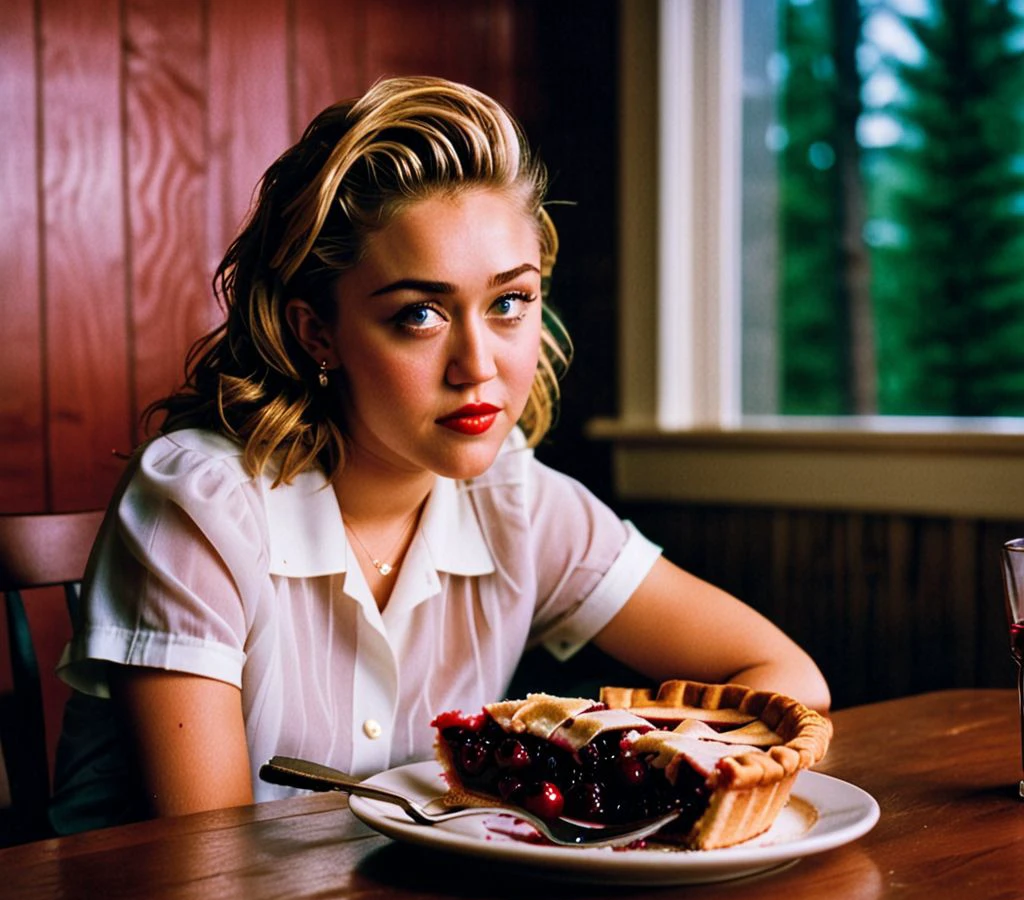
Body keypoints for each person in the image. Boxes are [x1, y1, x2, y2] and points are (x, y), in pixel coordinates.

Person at [51, 76, 829, 834]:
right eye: (419, 313)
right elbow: (208, 865)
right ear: (317, 332)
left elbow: (787, 678)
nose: (479, 364)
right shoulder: (199, 503)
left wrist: (637, 768)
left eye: (509, 303)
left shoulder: (517, 500)